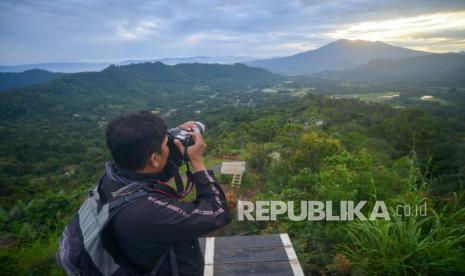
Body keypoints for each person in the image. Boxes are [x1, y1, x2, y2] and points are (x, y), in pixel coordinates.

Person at [98, 111, 231, 275]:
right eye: (166, 144)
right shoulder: (152, 213)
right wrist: (196, 161)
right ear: (154, 157)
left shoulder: (112, 179)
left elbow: (153, 170)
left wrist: (173, 143)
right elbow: (217, 212)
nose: (169, 146)